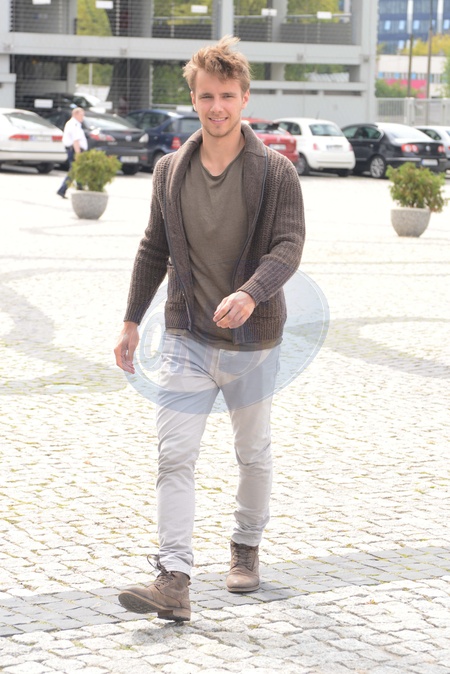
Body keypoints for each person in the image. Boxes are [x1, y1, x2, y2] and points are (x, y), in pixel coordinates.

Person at [114, 36, 305, 623]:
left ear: (244, 98)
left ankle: (245, 545)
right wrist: (130, 320)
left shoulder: (275, 171)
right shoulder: (170, 170)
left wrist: (251, 293)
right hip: (187, 338)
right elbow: (154, 247)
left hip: (253, 342)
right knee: (174, 454)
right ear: (193, 99)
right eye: (206, 96)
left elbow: (288, 246)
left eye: (226, 96)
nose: (216, 107)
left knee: (253, 452)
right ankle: (174, 578)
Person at [57, 107, 88, 199]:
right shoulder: (74, 124)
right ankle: (62, 190)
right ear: (75, 114)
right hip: (75, 150)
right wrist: (78, 154)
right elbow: (76, 140)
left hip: (75, 150)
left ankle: (80, 188)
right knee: (74, 170)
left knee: (78, 170)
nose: (83, 117)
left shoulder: (75, 124)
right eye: (81, 115)